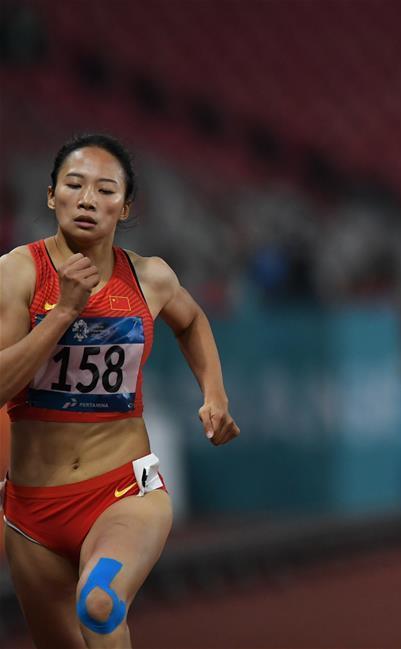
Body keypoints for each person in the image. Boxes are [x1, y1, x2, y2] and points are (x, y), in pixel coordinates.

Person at [0, 133, 240, 648]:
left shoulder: (149, 278)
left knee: (100, 603)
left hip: (124, 492)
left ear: (126, 206)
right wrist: (63, 312)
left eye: (106, 190)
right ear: (50, 196)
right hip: (30, 514)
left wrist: (214, 394)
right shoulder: (19, 273)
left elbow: (192, 319)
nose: (88, 200)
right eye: (74, 185)